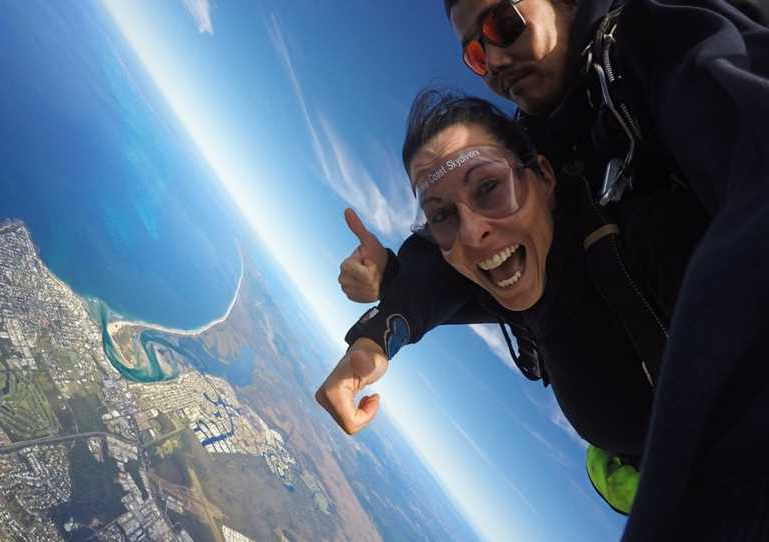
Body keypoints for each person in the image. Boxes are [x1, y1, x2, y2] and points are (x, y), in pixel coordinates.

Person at [317, 0, 769, 539]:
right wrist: (381, 320)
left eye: (503, 25)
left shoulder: (658, 42)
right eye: (478, 55)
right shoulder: (544, 170)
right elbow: (455, 247)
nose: (497, 59)